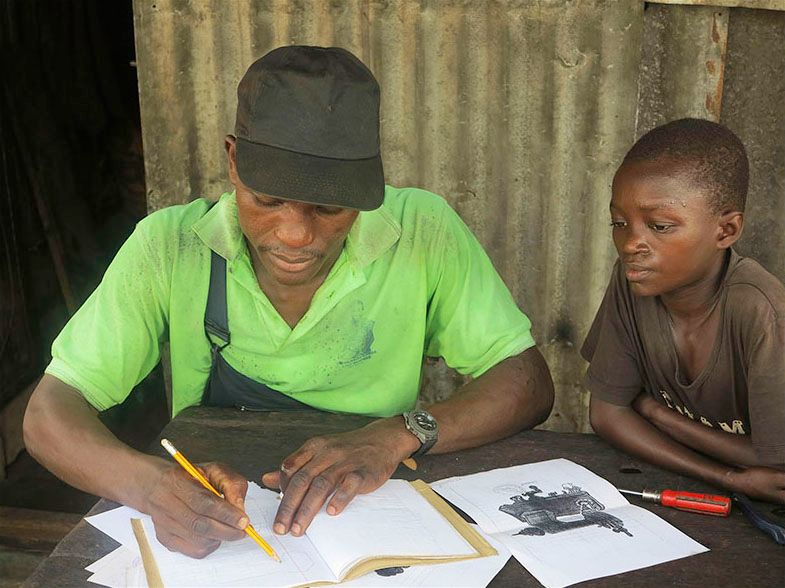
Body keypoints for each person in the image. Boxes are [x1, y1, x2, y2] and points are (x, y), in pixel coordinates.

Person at [23, 45, 554, 558]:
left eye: (328, 207)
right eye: (268, 200)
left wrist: (400, 434)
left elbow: (525, 382)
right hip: (227, 524)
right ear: (233, 162)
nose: (296, 235)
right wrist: (153, 486)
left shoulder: (421, 231)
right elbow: (49, 415)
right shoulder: (171, 247)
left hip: (372, 516)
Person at [583, 118, 785, 504]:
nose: (630, 244)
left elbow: (776, 471)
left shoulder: (761, 312)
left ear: (725, 231)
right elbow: (607, 416)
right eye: (619, 223)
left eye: (659, 226)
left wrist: (656, 414)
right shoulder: (633, 282)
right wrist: (728, 476)